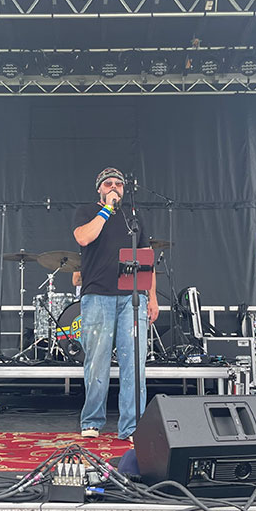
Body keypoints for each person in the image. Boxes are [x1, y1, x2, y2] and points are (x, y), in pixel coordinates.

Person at [73, 167, 159, 442]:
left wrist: (152, 297)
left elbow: (146, 257)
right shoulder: (88, 211)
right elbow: (84, 237)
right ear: (99, 188)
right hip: (98, 296)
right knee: (97, 362)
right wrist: (106, 210)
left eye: (118, 184)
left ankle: (132, 426)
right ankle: (92, 421)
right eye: (108, 184)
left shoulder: (133, 217)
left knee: (134, 363)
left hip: (132, 297)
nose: (114, 188)